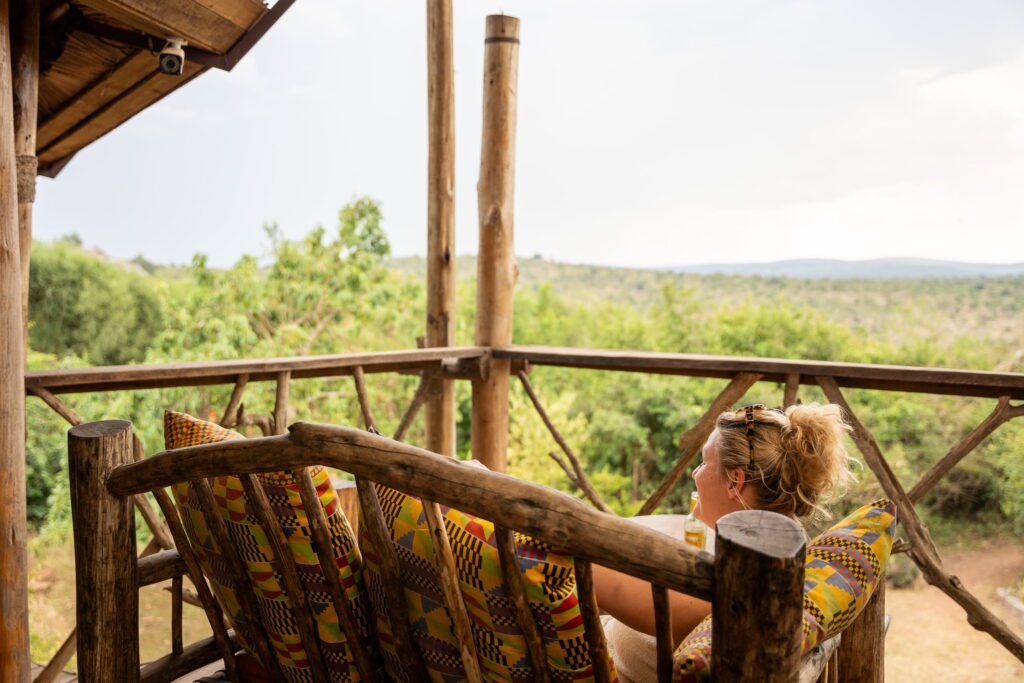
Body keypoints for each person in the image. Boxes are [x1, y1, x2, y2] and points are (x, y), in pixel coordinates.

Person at [594, 403, 854, 682]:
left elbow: (583, 568)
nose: (695, 473)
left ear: (735, 481)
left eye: (705, 463)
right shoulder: (788, 543)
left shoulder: (726, 583)